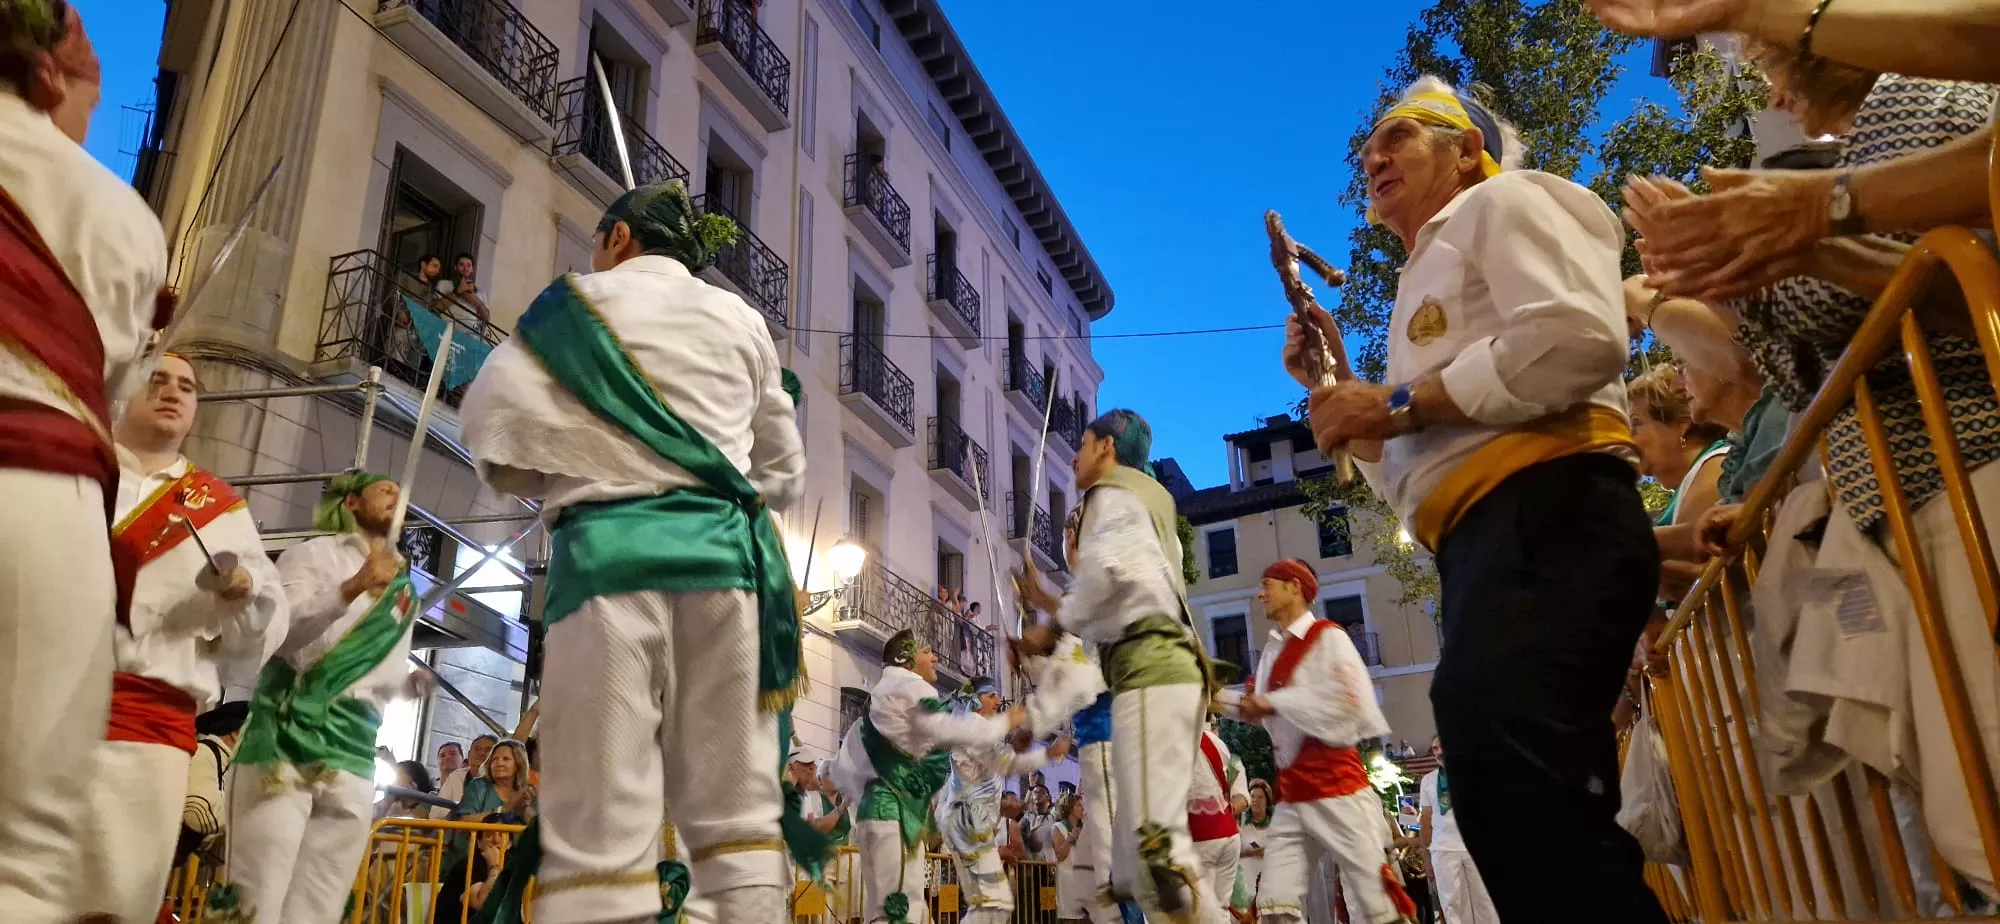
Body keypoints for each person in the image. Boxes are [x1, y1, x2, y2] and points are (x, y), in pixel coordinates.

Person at [1294, 75, 1664, 923]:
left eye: (1401, 133)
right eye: (1369, 144)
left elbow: (1580, 336)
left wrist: (1392, 403)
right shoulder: (1425, 277)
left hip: (1548, 516)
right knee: (1524, 811)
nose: (1372, 154)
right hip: (1494, 545)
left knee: (1535, 814)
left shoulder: (1511, 204)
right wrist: (1343, 390)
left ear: (1469, 151)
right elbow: (1421, 476)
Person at [459, 179, 810, 924]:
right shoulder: (742, 320)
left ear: (618, 239)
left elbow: (488, 425)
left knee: (599, 824)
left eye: (598, 240)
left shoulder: (574, 305)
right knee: (738, 820)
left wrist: (567, 461)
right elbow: (783, 465)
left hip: (610, 570)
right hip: (728, 574)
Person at [0, 4, 172, 918]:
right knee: (22, 856)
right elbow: (101, 385)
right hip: (34, 489)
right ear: (53, 75)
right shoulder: (115, 210)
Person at [73, 352, 289, 922]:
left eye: (187, 387)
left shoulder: (219, 509)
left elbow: (262, 631)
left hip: (149, 728)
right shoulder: (75, 469)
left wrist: (244, 592)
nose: (173, 392)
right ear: (122, 391)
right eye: (158, 380)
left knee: (120, 898)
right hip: (42, 704)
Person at [1013, 409, 1230, 924]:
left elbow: (1104, 580)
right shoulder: (1152, 498)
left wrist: (1049, 623)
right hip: (1164, 676)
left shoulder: (1110, 496)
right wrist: (1051, 608)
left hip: (1148, 680)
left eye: (1083, 444)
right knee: (1141, 865)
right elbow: (1118, 592)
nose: (1074, 455)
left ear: (1106, 447)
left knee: (1146, 860)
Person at [223, 472, 414, 924]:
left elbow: (375, 674)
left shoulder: (405, 588)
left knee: (320, 907)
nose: (395, 495)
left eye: (399, 491)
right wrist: (352, 586)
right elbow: (280, 636)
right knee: (256, 898)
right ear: (350, 503)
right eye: (383, 488)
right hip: (287, 738)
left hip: (354, 749)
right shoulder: (310, 553)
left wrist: (405, 685)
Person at [1226, 560, 1411, 924]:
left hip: (1336, 790)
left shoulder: (1329, 638)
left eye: (1268, 584)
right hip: (1293, 797)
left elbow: (1350, 700)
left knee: (1376, 904)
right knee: (1275, 903)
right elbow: (1257, 708)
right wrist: (1206, 693)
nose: (1260, 593)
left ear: (1295, 587)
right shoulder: (1272, 651)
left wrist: (1273, 701)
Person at [832, 631, 1025, 924]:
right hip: (894, 814)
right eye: (926, 651)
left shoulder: (878, 699)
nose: (935, 657)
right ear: (904, 659)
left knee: (891, 909)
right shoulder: (911, 685)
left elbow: (848, 767)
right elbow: (950, 731)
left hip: (878, 814)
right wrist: (1005, 723)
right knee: (899, 910)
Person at [936, 676, 1069, 923]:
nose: (998, 701)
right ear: (974, 701)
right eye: (991, 696)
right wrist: (1047, 751)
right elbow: (1006, 763)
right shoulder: (973, 727)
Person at [1416, 737, 1496, 924]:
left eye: (1442, 746)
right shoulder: (1428, 780)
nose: (1438, 752)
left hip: (1476, 848)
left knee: (1484, 900)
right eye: (1434, 748)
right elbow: (1425, 820)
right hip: (1443, 849)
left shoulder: (1474, 775)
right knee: (1451, 904)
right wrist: (1426, 859)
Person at [176, 701, 252, 873]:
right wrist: (249, 806)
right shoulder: (205, 753)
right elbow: (199, 812)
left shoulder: (227, 765)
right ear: (236, 733)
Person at [1189, 720, 1249, 923]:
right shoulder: (1220, 747)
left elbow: (1242, 797)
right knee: (1220, 911)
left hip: (1202, 835)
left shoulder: (1179, 742)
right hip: (1228, 834)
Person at [433, 733, 498, 820]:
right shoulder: (456, 776)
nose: (481, 753)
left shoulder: (502, 780)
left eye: (488, 750)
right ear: (469, 755)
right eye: (477, 749)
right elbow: (436, 815)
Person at [1236, 779, 1275, 921]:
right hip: (1244, 891)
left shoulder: (1275, 827)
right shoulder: (1241, 827)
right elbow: (1233, 853)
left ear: (1267, 800)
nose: (1255, 800)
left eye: (1260, 797)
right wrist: (1255, 852)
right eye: (1252, 796)